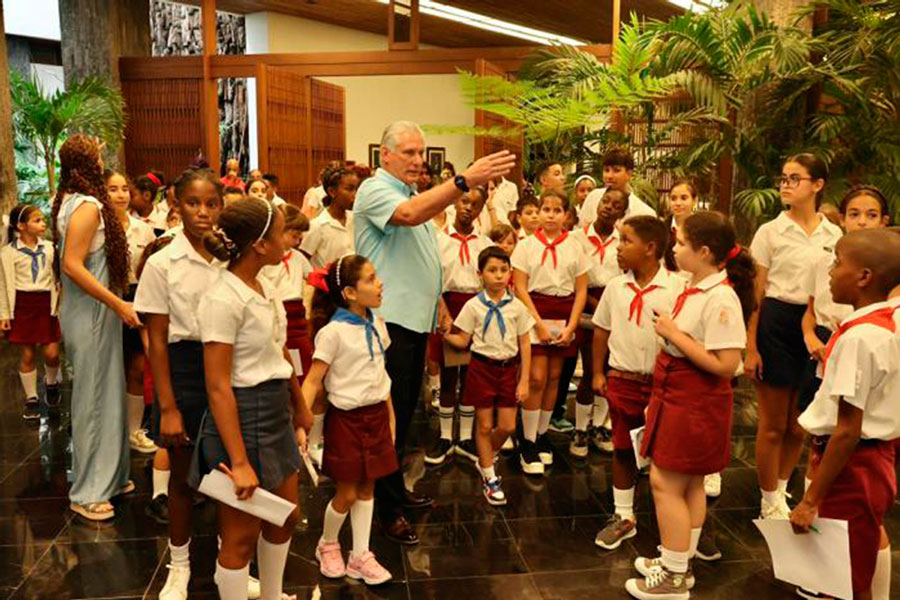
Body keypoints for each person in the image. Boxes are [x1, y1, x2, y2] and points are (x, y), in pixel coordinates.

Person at [353, 120, 514, 545]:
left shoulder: (411, 193)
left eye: (421, 153)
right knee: (389, 418)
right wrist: (464, 181)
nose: (417, 160)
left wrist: (438, 303)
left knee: (404, 416)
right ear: (384, 155)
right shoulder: (376, 190)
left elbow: (421, 257)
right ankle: (384, 510)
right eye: (407, 152)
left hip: (414, 320)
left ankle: (394, 491)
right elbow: (407, 218)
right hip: (390, 324)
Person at [626, 211, 756, 600]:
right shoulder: (695, 285)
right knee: (690, 483)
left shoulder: (722, 297)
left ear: (703, 251)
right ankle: (675, 557)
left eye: (680, 243)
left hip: (695, 400)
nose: (674, 248)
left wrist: (673, 334)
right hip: (678, 393)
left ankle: (674, 575)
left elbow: (725, 364)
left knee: (666, 483)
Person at [191, 197, 312, 600]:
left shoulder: (264, 284)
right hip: (242, 415)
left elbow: (277, 351)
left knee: (285, 518)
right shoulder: (222, 298)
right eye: (280, 234)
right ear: (259, 245)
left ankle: (274, 595)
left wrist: (299, 403)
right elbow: (218, 385)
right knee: (241, 537)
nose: (287, 242)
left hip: (275, 410)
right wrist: (238, 462)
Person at [134, 168, 232, 600]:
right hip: (185, 367)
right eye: (193, 203)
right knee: (182, 478)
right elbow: (156, 339)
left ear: (222, 207)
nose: (203, 212)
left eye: (212, 204)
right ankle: (180, 565)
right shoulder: (162, 262)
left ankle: (233, 563)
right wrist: (168, 407)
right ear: (176, 204)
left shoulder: (232, 256)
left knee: (231, 473)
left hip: (231, 368)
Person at [791, 229, 900, 600]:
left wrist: (810, 500)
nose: (830, 271)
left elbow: (847, 431)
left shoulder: (859, 338)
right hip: (869, 462)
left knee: (844, 582)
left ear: (864, 277)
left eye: (838, 263)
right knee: (851, 571)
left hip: (852, 467)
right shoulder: (884, 323)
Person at [747, 153, 843, 519]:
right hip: (775, 321)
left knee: (799, 423)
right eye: (783, 178)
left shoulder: (833, 234)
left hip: (815, 325)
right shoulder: (770, 231)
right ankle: (768, 498)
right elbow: (757, 292)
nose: (785, 184)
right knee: (772, 425)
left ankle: (784, 489)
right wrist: (751, 345)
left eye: (795, 178)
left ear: (818, 185)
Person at [52, 135, 138, 521]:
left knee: (107, 392)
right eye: (99, 157)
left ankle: (112, 475)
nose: (104, 162)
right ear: (87, 165)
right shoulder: (86, 206)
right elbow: (72, 264)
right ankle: (87, 491)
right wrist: (118, 302)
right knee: (92, 397)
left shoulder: (72, 200)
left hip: (94, 310)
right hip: (91, 312)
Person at [304, 255, 397, 586]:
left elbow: (380, 374)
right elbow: (314, 380)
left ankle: (360, 554)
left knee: (368, 485)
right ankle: (328, 543)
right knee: (346, 492)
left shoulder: (378, 322)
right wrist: (302, 424)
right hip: (346, 419)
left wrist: (390, 417)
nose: (379, 283)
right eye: (371, 279)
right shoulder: (333, 332)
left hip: (375, 416)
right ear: (349, 293)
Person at [591, 216, 681, 551]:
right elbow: (601, 330)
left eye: (626, 241)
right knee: (622, 447)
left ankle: (677, 519)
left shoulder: (677, 287)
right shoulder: (616, 287)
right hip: (624, 378)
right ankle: (623, 515)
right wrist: (598, 373)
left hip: (664, 383)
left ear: (651, 248)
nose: (618, 247)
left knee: (668, 454)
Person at [444, 246, 533, 505]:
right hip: (481, 368)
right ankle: (490, 476)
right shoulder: (473, 306)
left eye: (504, 270)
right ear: (480, 274)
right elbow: (463, 339)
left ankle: (484, 458)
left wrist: (524, 379)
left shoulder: (517, 307)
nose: (498, 276)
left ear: (510, 274)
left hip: (508, 370)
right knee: (483, 425)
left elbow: (525, 344)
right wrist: (445, 333)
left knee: (507, 426)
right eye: (492, 270)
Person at [511, 190, 589, 475]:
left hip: (564, 314)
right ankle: (527, 440)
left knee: (555, 377)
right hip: (535, 312)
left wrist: (571, 325)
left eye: (557, 210)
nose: (551, 215)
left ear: (566, 215)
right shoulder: (526, 245)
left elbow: (581, 289)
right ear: (539, 212)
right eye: (546, 209)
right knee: (536, 377)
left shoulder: (575, 246)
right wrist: (538, 324)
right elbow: (519, 286)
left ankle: (542, 435)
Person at [426, 187, 492, 466]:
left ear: (481, 210)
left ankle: (465, 437)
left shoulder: (484, 243)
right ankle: (444, 436)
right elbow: (430, 278)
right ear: (455, 201)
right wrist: (441, 312)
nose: (468, 208)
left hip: (476, 309)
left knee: (470, 374)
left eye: (475, 205)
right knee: (448, 375)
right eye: (464, 201)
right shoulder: (437, 241)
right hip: (447, 308)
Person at [568, 188, 628, 458]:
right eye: (605, 201)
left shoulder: (623, 241)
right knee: (591, 370)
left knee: (609, 370)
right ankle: (580, 428)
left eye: (616, 205)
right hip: (587, 304)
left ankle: (601, 427)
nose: (608, 207)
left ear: (622, 213)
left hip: (615, 305)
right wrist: (594, 305)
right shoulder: (577, 238)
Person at [106, 170, 158, 453]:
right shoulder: (97, 228)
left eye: (125, 188)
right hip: (107, 299)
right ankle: (109, 430)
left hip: (138, 297)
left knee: (137, 366)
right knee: (110, 368)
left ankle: (134, 430)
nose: (121, 195)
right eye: (113, 189)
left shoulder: (144, 229)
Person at [0, 204, 62, 419]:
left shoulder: (51, 248)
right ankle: (31, 398)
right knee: (27, 354)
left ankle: (52, 382)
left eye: (43, 219)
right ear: (21, 226)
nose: (43, 223)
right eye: (37, 220)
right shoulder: (7, 253)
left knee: (52, 353)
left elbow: (58, 278)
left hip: (46, 304)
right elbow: (2, 285)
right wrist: (4, 315)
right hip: (23, 305)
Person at [260, 204, 313, 383]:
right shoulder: (266, 260)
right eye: (294, 236)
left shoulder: (298, 257)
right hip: (278, 312)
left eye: (300, 237)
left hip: (298, 314)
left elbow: (311, 277)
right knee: (287, 359)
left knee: (303, 361)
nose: (298, 241)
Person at [579, 149, 657, 229]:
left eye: (616, 170)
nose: (609, 176)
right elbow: (581, 231)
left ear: (629, 174)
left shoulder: (643, 212)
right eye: (606, 170)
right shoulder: (593, 197)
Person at [301, 164, 358, 269]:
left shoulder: (355, 219)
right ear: (332, 191)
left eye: (355, 189)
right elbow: (302, 259)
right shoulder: (318, 226)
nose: (354, 194)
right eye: (349, 189)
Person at [665, 179, 699, 273]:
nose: (678, 203)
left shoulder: (702, 229)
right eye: (673, 198)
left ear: (694, 200)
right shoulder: (661, 229)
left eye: (684, 198)